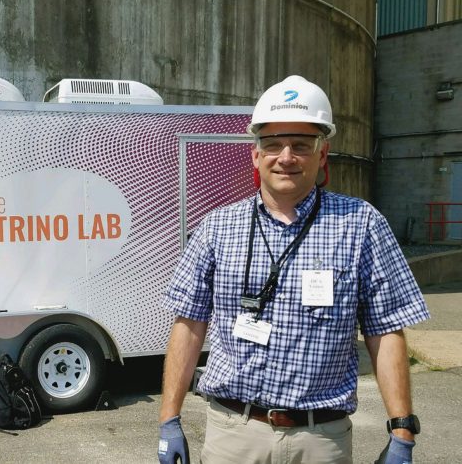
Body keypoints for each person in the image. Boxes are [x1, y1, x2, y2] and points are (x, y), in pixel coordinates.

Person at [157, 75, 429, 464]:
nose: (286, 157)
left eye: (301, 145)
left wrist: (402, 429)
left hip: (321, 440)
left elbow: (385, 331)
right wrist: (169, 419)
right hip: (234, 436)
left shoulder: (362, 225)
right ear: (255, 155)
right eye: (272, 145)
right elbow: (189, 325)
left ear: (322, 155)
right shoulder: (216, 228)